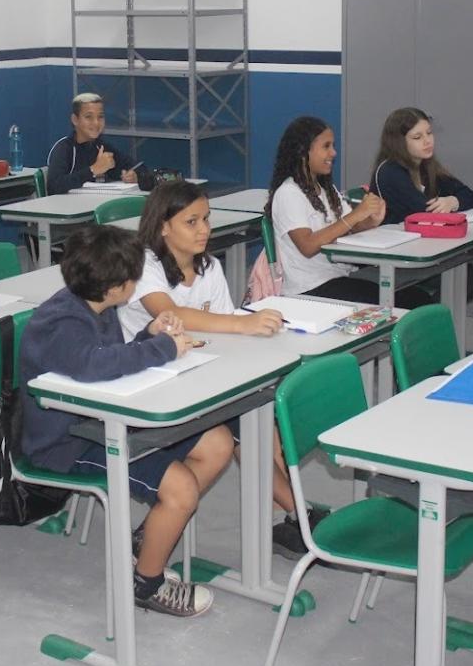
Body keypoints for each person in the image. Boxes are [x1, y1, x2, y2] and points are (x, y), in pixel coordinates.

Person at [21, 223, 234, 617]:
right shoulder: (63, 320)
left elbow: (106, 360)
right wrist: (162, 349)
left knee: (218, 442)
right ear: (115, 287)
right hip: (67, 442)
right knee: (182, 488)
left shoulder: (97, 304)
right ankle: (146, 583)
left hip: (100, 421)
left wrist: (147, 336)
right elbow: (90, 364)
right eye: (134, 277)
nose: (138, 282)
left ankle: (152, 533)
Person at [118, 181, 330, 559]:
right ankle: (300, 514)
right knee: (245, 426)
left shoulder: (209, 266)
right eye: (191, 222)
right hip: (150, 385)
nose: (204, 229)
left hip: (199, 374)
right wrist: (243, 324)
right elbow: (173, 315)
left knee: (261, 416)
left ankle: (155, 527)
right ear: (163, 227)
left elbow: (222, 327)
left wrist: (247, 329)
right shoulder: (144, 266)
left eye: (206, 219)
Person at [369, 107, 473, 305]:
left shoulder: (427, 165)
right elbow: (426, 213)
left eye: (429, 133)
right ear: (399, 142)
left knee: (471, 278)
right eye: (417, 137)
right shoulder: (390, 171)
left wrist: (452, 201)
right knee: (468, 279)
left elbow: (469, 195)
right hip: (397, 257)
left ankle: (431, 318)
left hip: (425, 250)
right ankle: (428, 320)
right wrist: (446, 207)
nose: (427, 141)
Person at [266, 116, 385, 300]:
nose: (333, 153)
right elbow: (308, 246)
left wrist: (370, 220)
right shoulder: (289, 193)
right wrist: (356, 214)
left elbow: (350, 228)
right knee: (393, 299)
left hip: (337, 275)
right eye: (326, 146)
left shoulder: (325, 189)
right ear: (303, 151)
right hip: (310, 287)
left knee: (412, 295)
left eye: (333, 146)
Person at [45, 92, 145, 194]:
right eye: (89, 117)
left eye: (100, 117)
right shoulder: (64, 148)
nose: (96, 123)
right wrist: (93, 170)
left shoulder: (102, 147)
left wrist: (135, 175)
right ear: (75, 120)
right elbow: (53, 186)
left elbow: (138, 167)